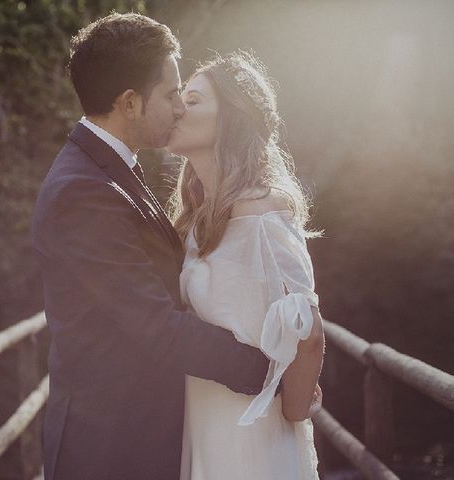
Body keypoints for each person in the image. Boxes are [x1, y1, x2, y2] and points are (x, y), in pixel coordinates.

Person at [31, 14, 273, 480]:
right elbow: (155, 326)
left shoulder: (108, 170)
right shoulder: (82, 192)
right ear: (130, 103)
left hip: (133, 437)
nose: (180, 107)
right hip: (111, 448)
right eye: (169, 94)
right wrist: (270, 372)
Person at [167, 51, 325, 479]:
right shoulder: (197, 217)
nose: (178, 107)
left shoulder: (261, 209)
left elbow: (306, 328)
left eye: (194, 99)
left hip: (251, 434)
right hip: (202, 422)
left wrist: (294, 409)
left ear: (232, 115)